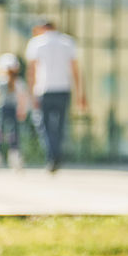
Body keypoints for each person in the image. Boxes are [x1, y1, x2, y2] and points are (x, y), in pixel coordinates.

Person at [25, 20, 85, 172]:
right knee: (60, 126)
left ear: (42, 28)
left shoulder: (36, 43)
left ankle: (52, 156)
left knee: (44, 126)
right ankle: (56, 155)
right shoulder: (67, 42)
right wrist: (80, 94)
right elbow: (75, 70)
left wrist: (31, 94)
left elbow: (31, 71)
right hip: (63, 89)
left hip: (43, 90)